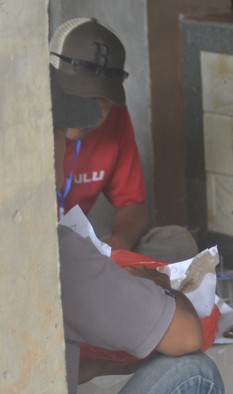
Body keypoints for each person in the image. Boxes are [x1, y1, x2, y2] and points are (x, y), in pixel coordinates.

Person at [51, 66, 224, 394]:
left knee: (170, 239)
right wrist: (158, 284)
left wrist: (103, 363)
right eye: (61, 134)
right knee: (194, 377)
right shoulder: (49, 252)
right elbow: (185, 335)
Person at [50, 17, 198, 263]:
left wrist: (119, 243)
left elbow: (133, 204)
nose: (89, 110)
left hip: (78, 253)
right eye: (78, 95)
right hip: (31, 254)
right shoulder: (24, 125)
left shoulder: (114, 117)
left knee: (177, 242)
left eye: (101, 100)